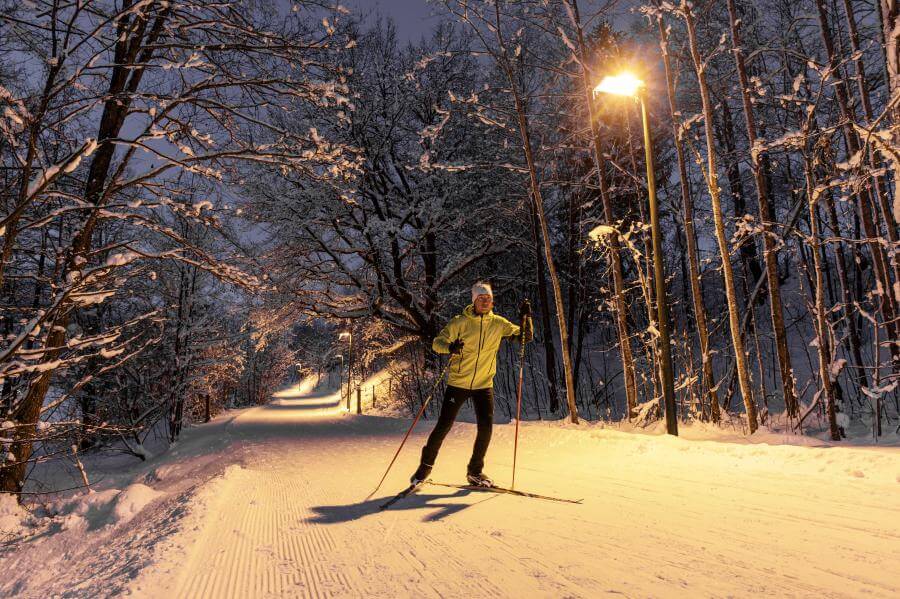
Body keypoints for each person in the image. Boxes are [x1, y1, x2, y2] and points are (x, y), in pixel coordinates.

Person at [411, 281, 533, 487]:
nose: (485, 302)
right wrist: (450, 347)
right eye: (481, 298)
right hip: (458, 383)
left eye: (488, 299)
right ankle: (423, 470)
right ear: (474, 301)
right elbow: (436, 343)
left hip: (484, 385)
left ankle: (475, 472)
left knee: (486, 429)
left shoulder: (499, 323)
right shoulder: (460, 322)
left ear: (492, 302)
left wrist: (526, 318)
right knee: (443, 426)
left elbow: (524, 337)